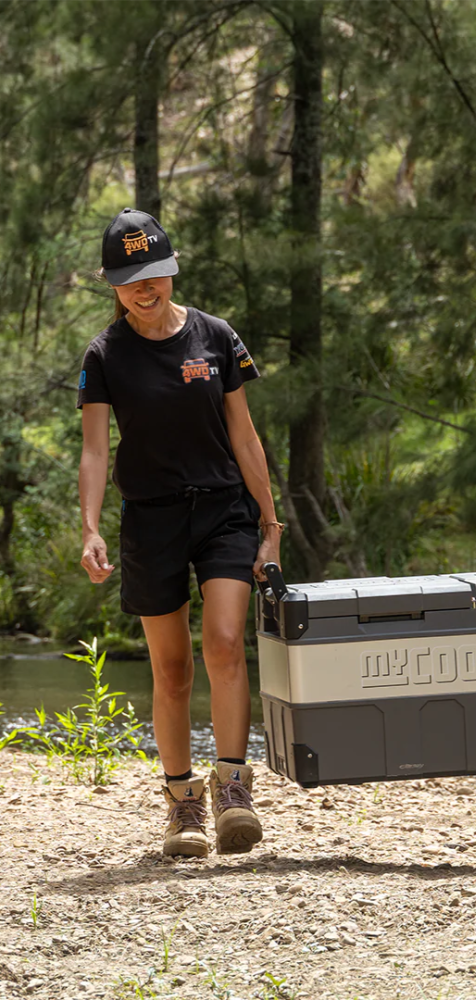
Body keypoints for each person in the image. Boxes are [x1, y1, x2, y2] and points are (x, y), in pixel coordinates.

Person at [78, 208, 283, 858]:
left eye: (155, 273)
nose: (146, 288)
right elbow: (93, 452)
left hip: (222, 507)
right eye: (131, 278)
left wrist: (270, 524)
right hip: (150, 518)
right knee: (170, 670)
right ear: (113, 283)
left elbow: (244, 436)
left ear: (172, 268)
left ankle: (233, 791)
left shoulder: (215, 336)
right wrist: (89, 528)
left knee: (223, 644)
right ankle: (182, 803)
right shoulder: (104, 356)